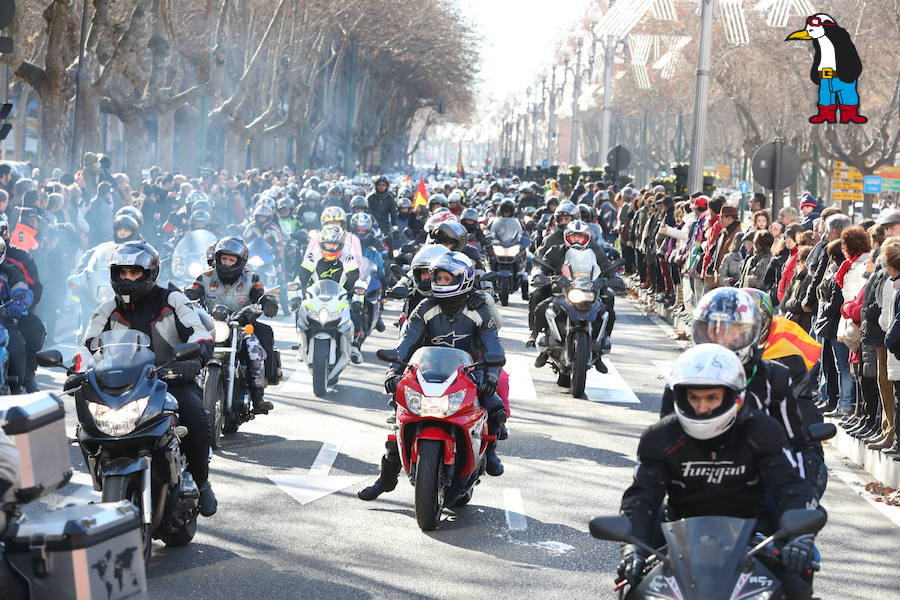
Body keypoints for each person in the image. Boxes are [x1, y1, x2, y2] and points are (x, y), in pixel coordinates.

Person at [620, 344, 822, 599]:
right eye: (694, 398)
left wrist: (799, 538)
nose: (702, 407)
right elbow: (641, 498)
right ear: (680, 397)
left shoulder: (762, 430)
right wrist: (631, 549)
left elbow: (790, 487)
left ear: (733, 397)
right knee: (631, 583)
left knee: (797, 588)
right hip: (677, 534)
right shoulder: (659, 437)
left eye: (711, 398)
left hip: (753, 535)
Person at [71, 241, 218, 516]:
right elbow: (86, 345)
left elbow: (199, 335)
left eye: (134, 273)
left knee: (196, 419)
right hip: (123, 385)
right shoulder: (107, 308)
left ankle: (202, 482)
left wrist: (193, 360)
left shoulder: (172, 300)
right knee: (86, 423)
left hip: (170, 379)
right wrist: (76, 370)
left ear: (150, 273)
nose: (127, 279)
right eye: (122, 272)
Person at [358, 251, 506, 501]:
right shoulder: (424, 307)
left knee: (495, 407)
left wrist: (490, 376)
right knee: (398, 416)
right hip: (427, 372)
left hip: (469, 374)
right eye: (438, 277)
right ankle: (386, 478)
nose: (439, 282)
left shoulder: (478, 309)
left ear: (463, 279)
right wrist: (393, 371)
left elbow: (494, 346)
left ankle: (490, 452)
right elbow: (406, 343)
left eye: (447, 278)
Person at [185, 237, 279, 414]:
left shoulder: (251, 278)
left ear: (240, 261)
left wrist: (267, 300)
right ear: (217, 258)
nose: (227, 263)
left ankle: (258, 397)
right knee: (187, 350)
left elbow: (260, 294)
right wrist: (186, 295)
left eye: (232, 260)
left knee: (254, 350)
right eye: (224, 259)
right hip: (211, 326)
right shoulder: (205, 277)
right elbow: (193, 292)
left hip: (240, 327)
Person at [296, 224, 365, 364]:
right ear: (321, 243)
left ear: (341, 244)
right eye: (327, 244)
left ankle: (354, 346)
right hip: (316, 296)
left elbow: (356, 280)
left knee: (357, 314)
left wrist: (358, 300)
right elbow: (301, 277)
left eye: (334, 244)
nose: (330, 247)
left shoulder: (348, 257)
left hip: (341, 296)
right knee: (299, 309)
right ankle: (301, 344)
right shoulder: (313, 255)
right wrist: (297, 296)